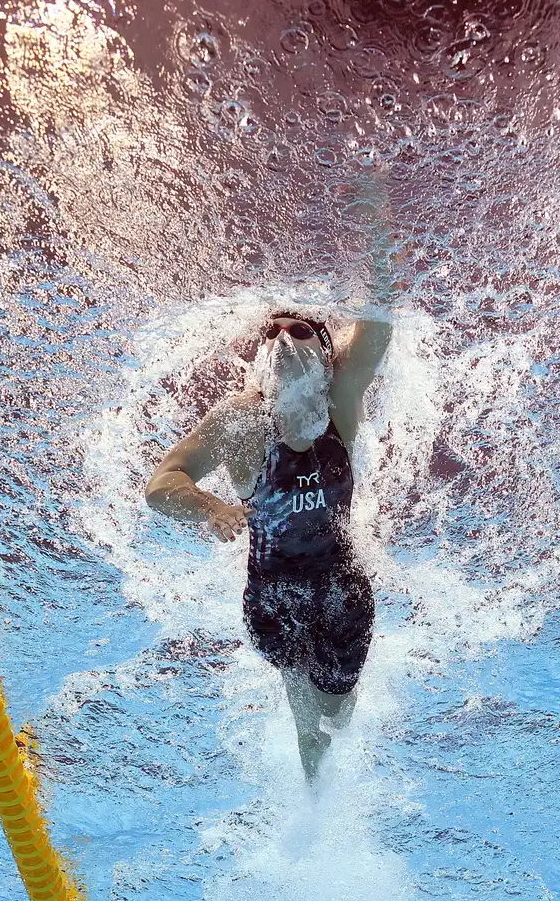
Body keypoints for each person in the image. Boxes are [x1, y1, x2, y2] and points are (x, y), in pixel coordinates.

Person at [145, 304, 392, 778]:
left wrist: (381, 249)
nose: (282, 339)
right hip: (272, 598)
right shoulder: (243, 420)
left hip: (343, 591)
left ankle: (330, 770)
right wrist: (211, 506)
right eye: (271, 332)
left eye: (297, 330)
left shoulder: (340, 401)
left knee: (336, 713)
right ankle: (315, 797)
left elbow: (377, 326)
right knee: (305, 715)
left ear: (323, 355)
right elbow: (161, 486)